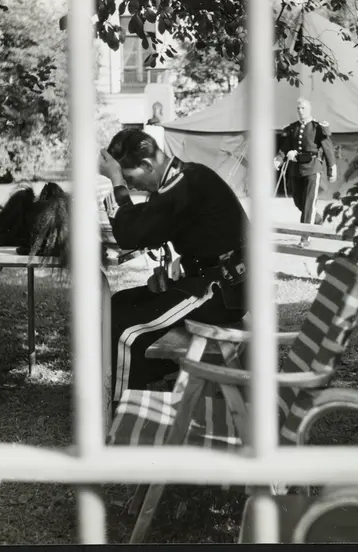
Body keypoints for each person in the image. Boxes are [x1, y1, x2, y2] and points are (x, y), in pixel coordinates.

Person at [99, 128, 250, 404]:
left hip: (221, 290)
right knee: (118, 304)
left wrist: (116, 182)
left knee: (125, 331)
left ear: (147, 165)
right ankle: (136, 388)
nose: (132, 187)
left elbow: (130, 234)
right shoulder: (183, 180)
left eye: (130, 178)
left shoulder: (185, 183)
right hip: (207, 282)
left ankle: (122, 409)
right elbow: (146, 227)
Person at [274, 98, 337, 247]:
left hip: (313, 169)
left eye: (303, 108)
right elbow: (285, 147)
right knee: (298, 202)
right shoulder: (292, 128)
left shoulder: (317, 127)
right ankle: (317, 219)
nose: (300, 111)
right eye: (298, 108)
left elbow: (328, 148)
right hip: (296, 170)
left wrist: (332, 168)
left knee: (309, 204)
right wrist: (279, 159)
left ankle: (305, 238)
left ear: (309, 109)